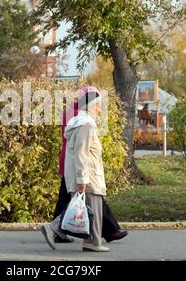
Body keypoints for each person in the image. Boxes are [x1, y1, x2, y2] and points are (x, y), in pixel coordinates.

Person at [41, 88, 119, 252]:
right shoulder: (86, 125)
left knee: (85, 208)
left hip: (86, 175)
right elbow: (81, 154)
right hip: (89, 176)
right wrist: (82, 179)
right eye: (98, 105)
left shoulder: (80, 122)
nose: (100, 109)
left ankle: (88, 240)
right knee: (94, 210)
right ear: (91, 106)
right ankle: (90, 242)